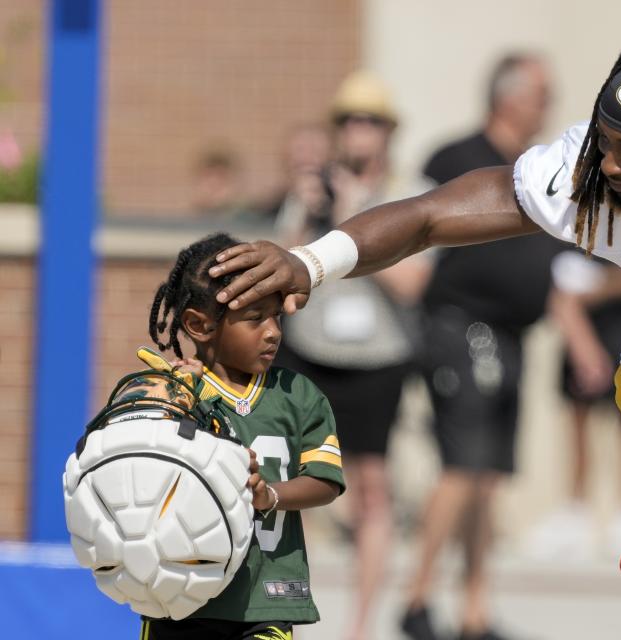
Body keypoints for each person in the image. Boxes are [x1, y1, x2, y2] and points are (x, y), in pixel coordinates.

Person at [210, 33, 621, 640]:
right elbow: (429, 217)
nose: (610, 166)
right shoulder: (588, 172)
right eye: (605, 141)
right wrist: (310, 262)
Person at [396, 53, 555, 640]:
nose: (549, 106)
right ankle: (416, 601)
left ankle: (474, 610)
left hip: (514, 336)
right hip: (461, 328)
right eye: (542, 94)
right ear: (509, 98)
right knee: (462, 466)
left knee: (489, 475)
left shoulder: (538, 171)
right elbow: (412, 234)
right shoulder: (454, 159)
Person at [271, 70, 431, 640]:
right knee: (285, 477)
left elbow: (414, 285)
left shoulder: (407, 193)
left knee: (370, 487)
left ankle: (360, 627)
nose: (357, 133)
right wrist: (306, 211)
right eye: (348, 121)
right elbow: (281, 273)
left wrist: (356, 218)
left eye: (369, 121)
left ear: (388, 131)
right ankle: (281, 609)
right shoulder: (314, 190)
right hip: (312, 352)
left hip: (378, 359)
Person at [140, 232, 346, 640]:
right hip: (177, 599)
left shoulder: (298, 395)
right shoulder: (175, 389)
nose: (272, 332)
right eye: (255, 319)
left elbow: (325, 481)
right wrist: (163, 402)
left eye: (277, 318)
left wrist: (270, 495)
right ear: (199, 325)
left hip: (263, 599)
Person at [524, 250, 621, 560]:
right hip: (581, 339)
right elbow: (560, 294)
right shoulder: (572, 230)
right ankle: (575, 510)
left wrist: (597, 287)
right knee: (577, 431)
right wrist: (582, 344)